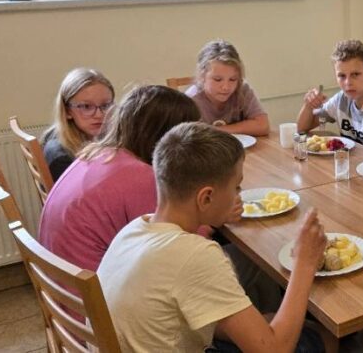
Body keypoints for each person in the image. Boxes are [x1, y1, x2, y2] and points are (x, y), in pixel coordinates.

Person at [98, 123, 327, 352]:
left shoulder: (134, 230)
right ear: (206, 198)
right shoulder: (196, 255)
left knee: (268, 321)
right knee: (309, 340)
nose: (239, 195)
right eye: (236, 187)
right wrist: (304, 263)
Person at [39, 85, 201, 271]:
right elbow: (176, 245)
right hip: (95, 285)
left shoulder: (96, 153)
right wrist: (208, 218)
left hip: (63, 277)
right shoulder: (141, 176)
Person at [295, 40, 363, 151]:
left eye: (355, 74)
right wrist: (308, 106)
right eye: (342, 76)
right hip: (347, 159)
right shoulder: (341, 99)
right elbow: (301, 129)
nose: (348, 83)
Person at [41, 68, 114, 181]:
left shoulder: (95, 138)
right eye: (86, 106)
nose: (99, 115)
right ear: (67, 111)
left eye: (105, 106)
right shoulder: (62, 157)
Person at [184, 40, 270, 136]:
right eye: (217, 79)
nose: (226, 87)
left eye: (233, 79)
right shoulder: (191, 101)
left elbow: (263, 125)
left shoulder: (242, 90)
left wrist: (218, 130)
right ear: (202, 76)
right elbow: (189, 138)